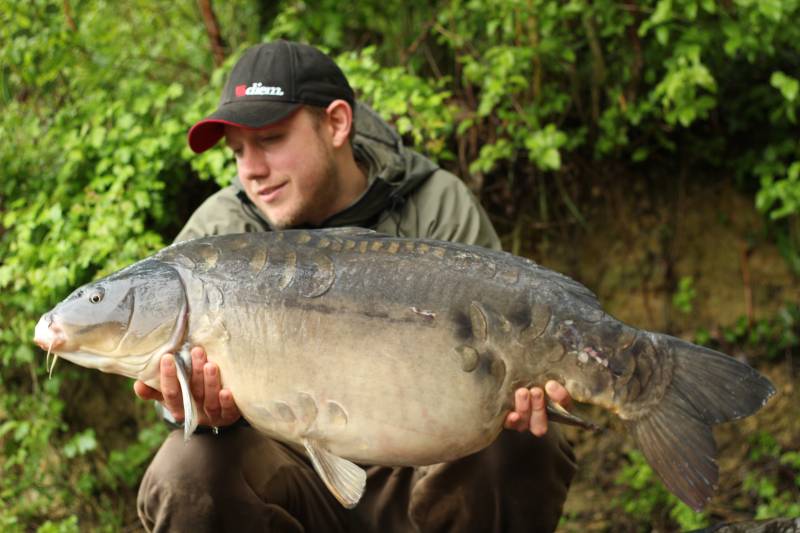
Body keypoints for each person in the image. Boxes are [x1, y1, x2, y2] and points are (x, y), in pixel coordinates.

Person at [134, 40, 576, 532]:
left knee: (521, 440)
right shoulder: (217, 235)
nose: (251, 170)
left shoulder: (434, 206)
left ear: (338, 124)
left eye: (271, 140)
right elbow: (172, 388)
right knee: (185, 469)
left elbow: (520, 347)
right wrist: (193, 407)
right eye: (237, 150)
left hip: (426, 467)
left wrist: (536, 381)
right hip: (291, 474)